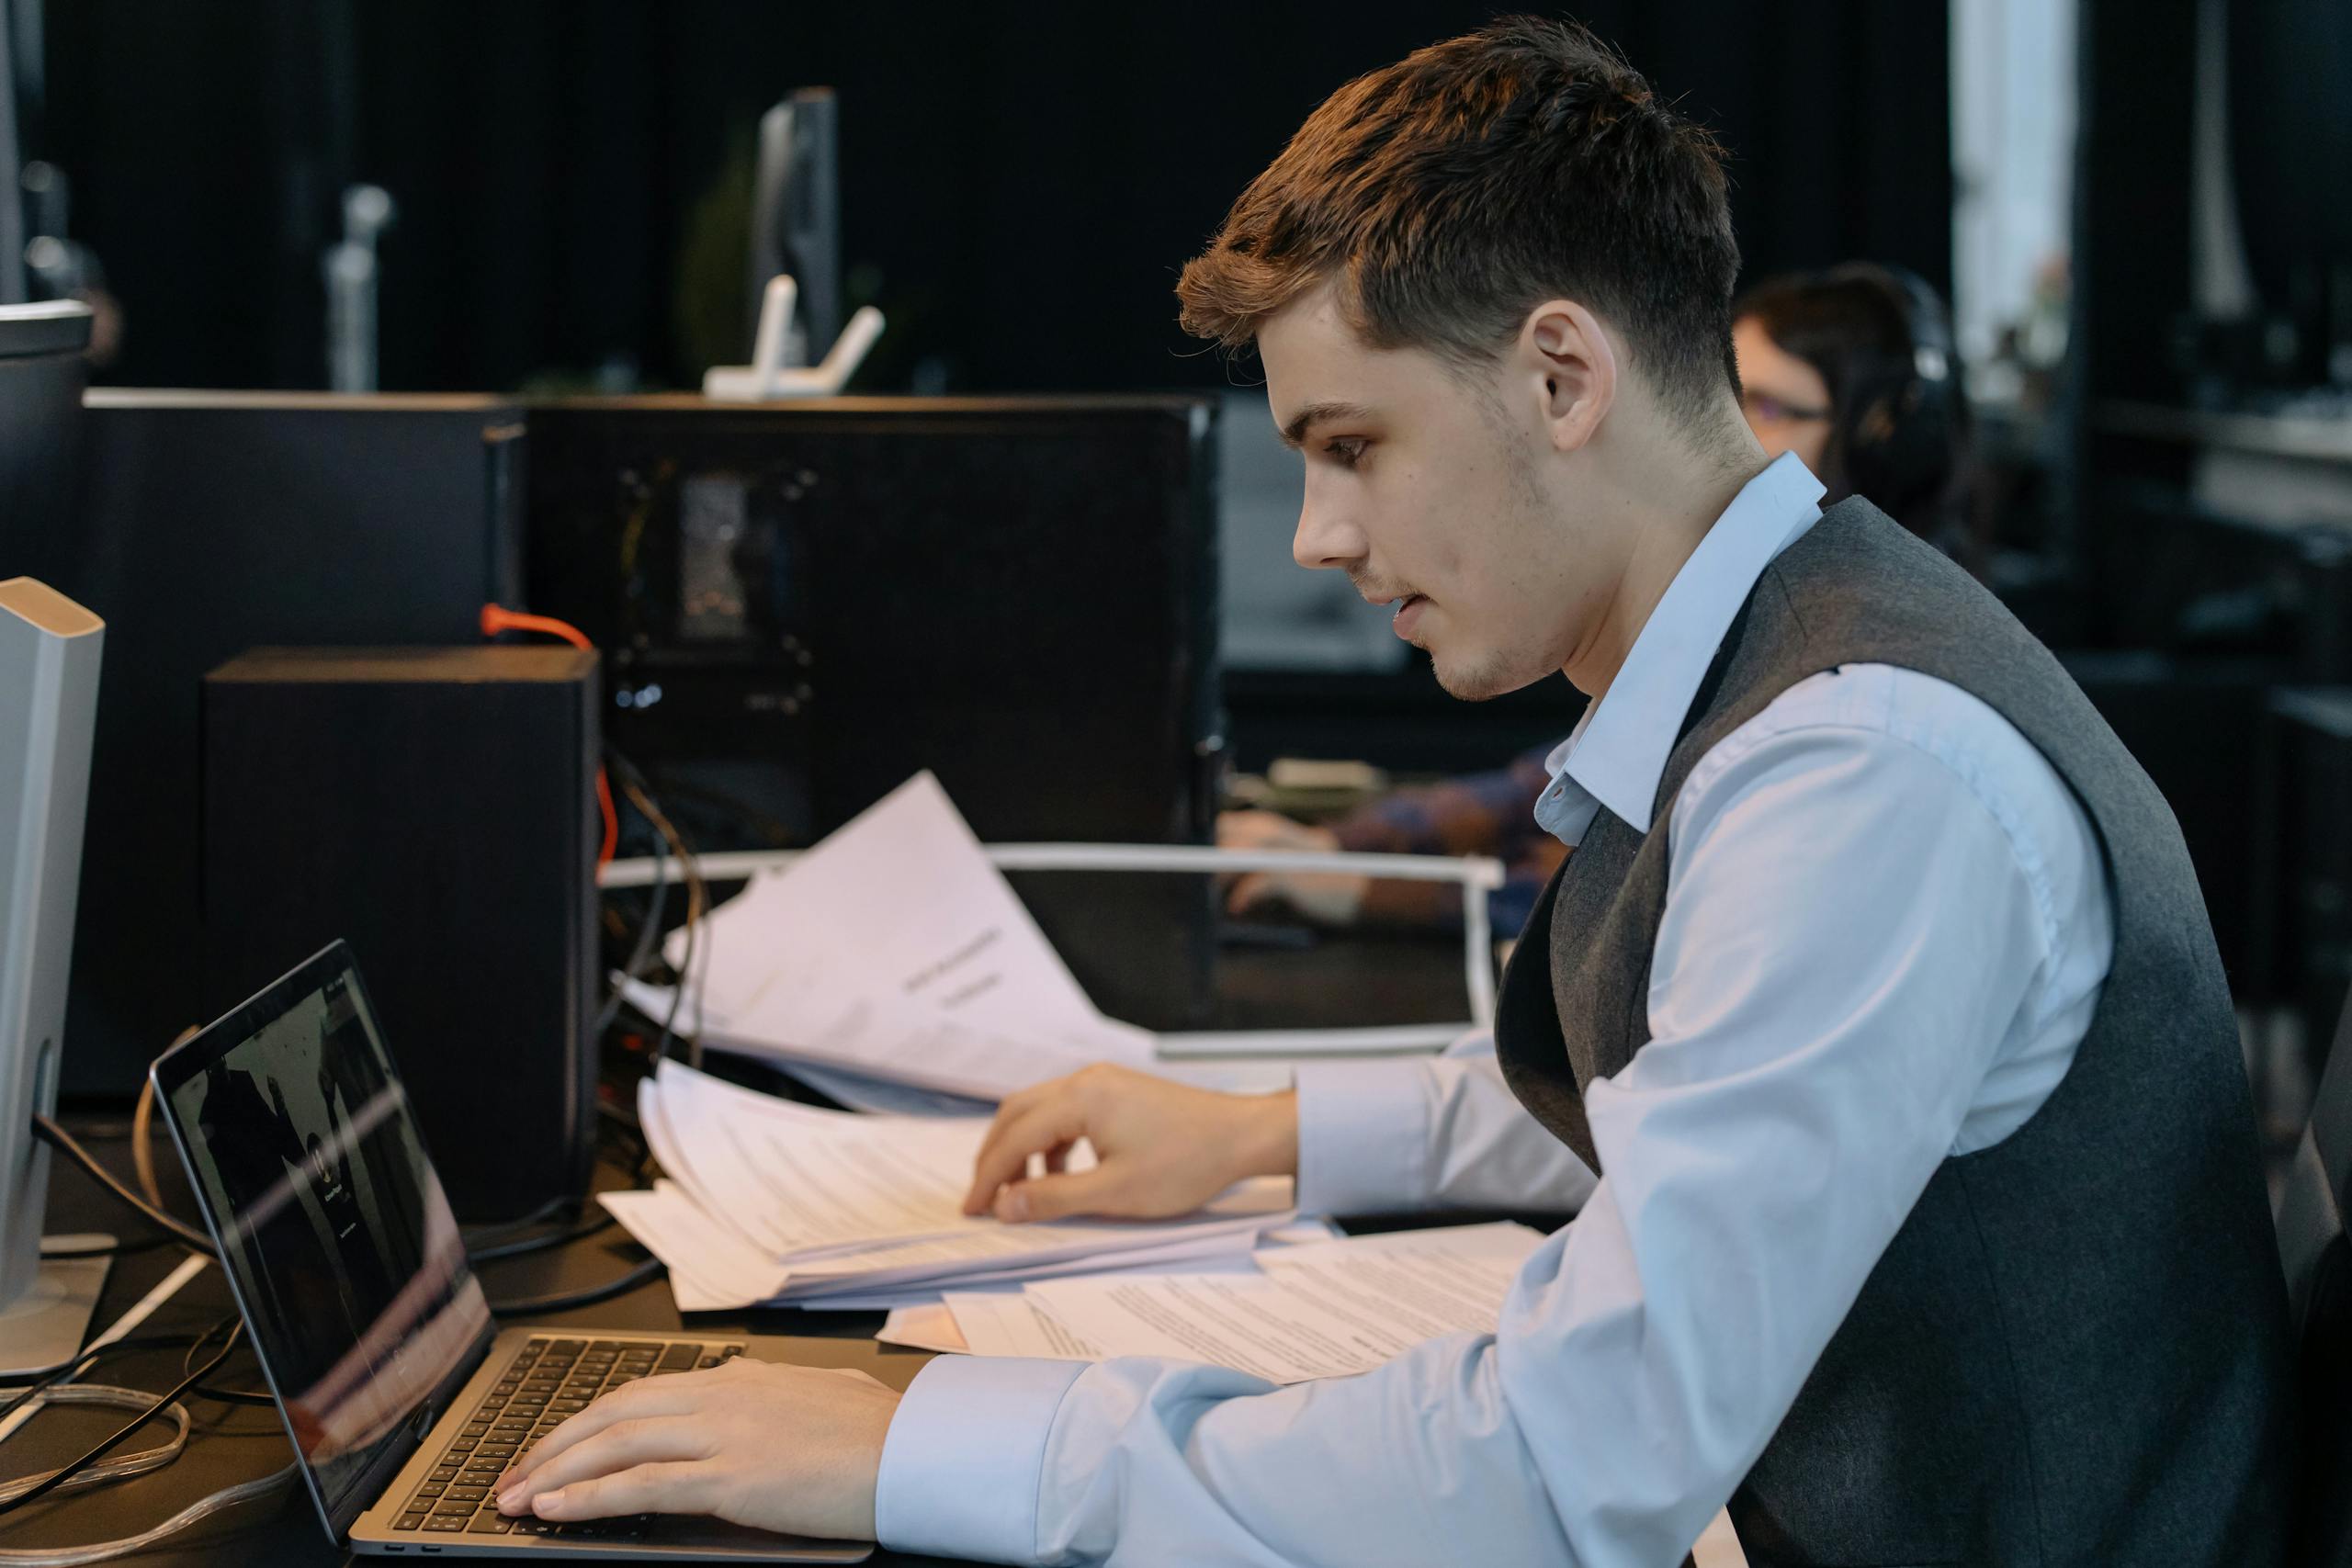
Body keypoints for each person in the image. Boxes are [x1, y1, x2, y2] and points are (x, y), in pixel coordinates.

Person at [490, 18, 2294, 1565]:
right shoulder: (1794, 648)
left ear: (1559, 373)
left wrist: (913, 1447)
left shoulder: (1853, 767)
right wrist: (1257, 1132)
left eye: (1351, 447)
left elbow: (1557, 1470)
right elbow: (1685, 1063)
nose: (1319, 534)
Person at [1224, 262, 1976, 931]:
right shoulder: (1754, 644)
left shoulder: (1846, 736)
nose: (1719, 433)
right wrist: (1341, 845)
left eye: (1767, 408)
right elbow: (1539, 791)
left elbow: (1616, 894)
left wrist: (1359, 886)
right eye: (1722, 393)